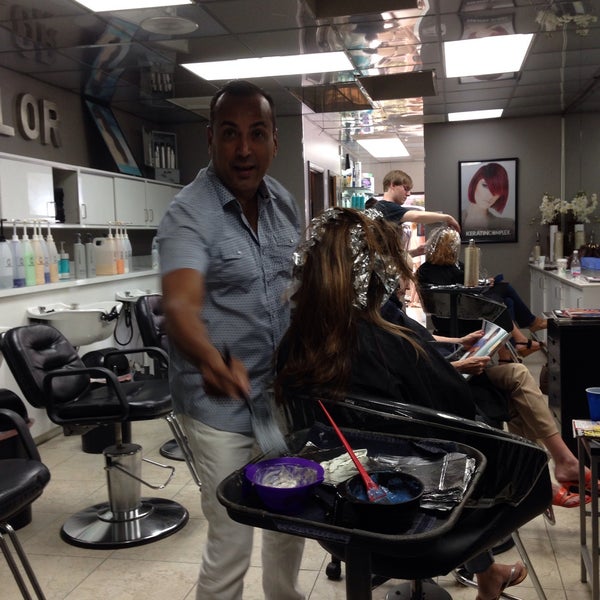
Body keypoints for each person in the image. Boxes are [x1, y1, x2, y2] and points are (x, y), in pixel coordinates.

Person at [275, 207, 531, 599]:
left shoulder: (293, 343)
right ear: (377, 272)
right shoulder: (390, 342)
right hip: (416, 512)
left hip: (338, 510)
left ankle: (487, 572)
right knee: (516, 462)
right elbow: (457, 409)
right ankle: (486, 569)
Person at [157, 80, 305, 600]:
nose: (244, 149)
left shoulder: (283, 204)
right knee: (232, 537)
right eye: (230, 134)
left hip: (278, 399)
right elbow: (179, 305)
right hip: (219, 407)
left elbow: (295, 289)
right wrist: (209, 357)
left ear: (274, 141)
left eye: (256, 133)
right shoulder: (188, 214)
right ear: (211, 138)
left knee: (289, 518)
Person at [416, 226, 546, 357]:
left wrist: (483, 282)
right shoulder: (453, 269)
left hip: (449, 318)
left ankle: (512, 349)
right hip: (459, 319)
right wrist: (481, 283)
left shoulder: (425, 270)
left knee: (507, 301)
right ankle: (522, 335)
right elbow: (464, 293)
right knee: (504, 294)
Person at [372, 169, 461, 257]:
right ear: (393, 185)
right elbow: (416, 216)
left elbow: (391, 256)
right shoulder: (386, 207)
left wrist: (415, 252)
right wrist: (448, 218)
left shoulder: (382, 209)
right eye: (406, 189)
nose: (408, 194)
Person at [462, 162, 515, 237]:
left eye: (497, 191)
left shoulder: (508, 226)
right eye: (485, 185)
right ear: (474, 184)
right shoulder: (454, 219)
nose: (490, 196)